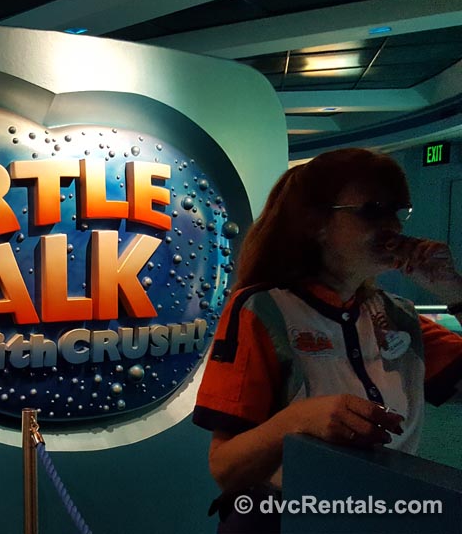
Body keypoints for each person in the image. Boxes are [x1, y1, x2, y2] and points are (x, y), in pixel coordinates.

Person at [192, 148, 462, 533]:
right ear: (315, 224)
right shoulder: (264, 310)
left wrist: (456, 292)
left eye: (398, 212)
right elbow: (226, 469)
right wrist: (299, 420)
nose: (393, 227)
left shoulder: (398, 316)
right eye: (373, 210)